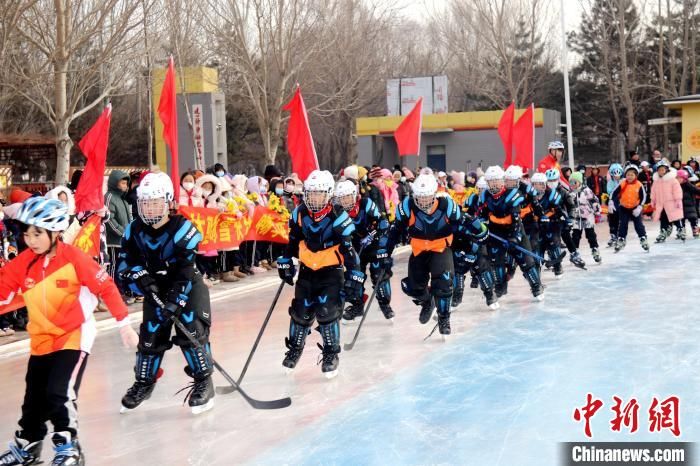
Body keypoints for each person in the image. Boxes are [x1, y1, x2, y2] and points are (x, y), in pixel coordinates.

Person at [0, 197, 138, 466]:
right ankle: (28, 446)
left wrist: (124, 324)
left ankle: (68, 446)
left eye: (37, 233)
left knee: (59, 392)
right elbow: (3, 291)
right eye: (27, 233)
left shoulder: (74, 259)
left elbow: (106, 288)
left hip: (74, 335)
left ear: (55, 232)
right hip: (41, 338)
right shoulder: (24, 263)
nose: (31, 240)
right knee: (34, 395)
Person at [117, 172, 216, 414]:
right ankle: (144, 383)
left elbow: (185, 269)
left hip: (186, 287)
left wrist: (176, 300)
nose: (150, 209)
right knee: (150, 335)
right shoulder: (133, 230)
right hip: (155, 290)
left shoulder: (183, 229)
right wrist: (140, 278)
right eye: (145, 203)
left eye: (155, 203)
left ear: (169, 202)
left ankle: (204, 382)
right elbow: (123, 266)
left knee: (192, 331)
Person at [277, 170, 363, 378]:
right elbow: (293, 239)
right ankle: (295, 348)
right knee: (300, 312)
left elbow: (348, 249)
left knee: (327, 313)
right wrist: (285, 260)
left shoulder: (338, 215)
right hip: (307, 271)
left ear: (328, 194)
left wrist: (354, 273)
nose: (314, 198)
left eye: (319, 194)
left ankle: (331, 354)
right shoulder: (299, 213)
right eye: (311, 193)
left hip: (331, 272)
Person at [393, 174, 462, 336]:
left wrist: (476, 234)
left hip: (440, 249)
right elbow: (395, 231)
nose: (423, 201)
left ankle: (444, 317)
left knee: (444, 282)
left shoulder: (446, 205)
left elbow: (461, 224)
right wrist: (384, 250)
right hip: (419, 251)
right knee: (412, 287)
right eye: (419, 197)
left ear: (434, 194)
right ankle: (427, 301)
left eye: (427, 197)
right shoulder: (407, 207)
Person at [479, 166, 544, 299]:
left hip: (514, 230)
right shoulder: (484, 195)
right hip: (496, 232)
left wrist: (515, 237)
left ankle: (536, 286)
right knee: (497, 262)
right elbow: (481, 215)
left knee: (526, 261)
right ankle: (500, 286)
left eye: (496, 180)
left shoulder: (512, 194)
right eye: (491, 181)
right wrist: (481, 228)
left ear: (502, 180)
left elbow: (515, 218)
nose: (494, 184)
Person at [334, 180, 394, 322]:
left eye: (348, 197)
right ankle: (357, 306)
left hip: (372, 245)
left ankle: (385, 304)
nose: (345, 201)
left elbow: (382, 222)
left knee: (379, 273)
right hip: (354, 248)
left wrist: (371, 235)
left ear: (354, 195)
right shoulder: (337, 210)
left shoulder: (365, 203)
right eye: (342, 198)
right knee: (354, 277)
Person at [104, 170, 133, 301]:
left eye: (126, 182)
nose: (125, 185)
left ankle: (120, 291)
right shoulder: (109, 197)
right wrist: (122, 232)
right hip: (113, 241)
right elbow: (109, 219)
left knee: (122, 267)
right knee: (113, 267)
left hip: (123, 240)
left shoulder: (123, 199)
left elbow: (129, 219)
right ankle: (111, 293)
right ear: (115, 182)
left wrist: (131, 232)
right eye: (122, 182)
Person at [532, 172, 566, 277]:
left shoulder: (551, 194)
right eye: (538, 183)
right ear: (533, 184)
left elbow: (558, 209)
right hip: (536, 225)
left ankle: (557, 265)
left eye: (542, 183)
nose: (541, 186)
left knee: (553, 243)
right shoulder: (528, 195)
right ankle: (537, 270)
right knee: (537, 247)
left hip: (551, 224)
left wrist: (563, 218)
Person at [610, 165, 649, 252]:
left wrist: (639, 207)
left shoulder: (639, 185)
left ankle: (643, 238)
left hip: (635, 208)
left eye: (632, 175)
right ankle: (621, 239)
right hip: (624, 208)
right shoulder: (623, 183)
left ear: (636, 175)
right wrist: (611, 201)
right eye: (628, 175)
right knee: (623, 224)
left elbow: (644, 197)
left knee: (638, 225)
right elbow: (614, 192)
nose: (630, 177)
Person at [569, 172, 602, 263]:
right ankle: (574, 252)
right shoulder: (570, 193)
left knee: (591, 235)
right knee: (575, 236)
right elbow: (567, 205)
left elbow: (594, 201)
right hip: (576, 219)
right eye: (571, 182)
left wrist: (597, 212)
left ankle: (595, 249)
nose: (573, 185)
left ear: (580, 182)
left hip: (587, 217)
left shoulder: (587, 191)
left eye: (575, 182)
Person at [650, 160, 684, 243]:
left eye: (663, 170)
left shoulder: (672, 180)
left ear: (666, 170)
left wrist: (678, 200)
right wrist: (653, 200)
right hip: (661, 204)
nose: (661, 172)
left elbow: (677, 190)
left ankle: (680, 229)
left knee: (675, 217)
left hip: (671, 203)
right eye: (659, 170)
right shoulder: (656, 181)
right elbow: (653, 191)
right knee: (663, 219)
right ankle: (663, 232)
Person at [676, 169, 700, 239]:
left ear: (684, 178)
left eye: (679, 178)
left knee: (693, 218)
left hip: (690, 206)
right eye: (676, 177)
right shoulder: (675, 186)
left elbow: (697, 190)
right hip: (680, 206)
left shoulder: (688, 185)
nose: (677, 179)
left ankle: (695, 229)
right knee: (681, 219)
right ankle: (681, 230)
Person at [606, 163, 624, 247]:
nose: (617, 177)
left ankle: (620, 235)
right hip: (613, 202)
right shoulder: (610, 182)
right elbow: (610, 192)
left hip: (622, 203)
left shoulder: (624, 181)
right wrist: (610, 201)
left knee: (621, 220)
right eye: (615, 175)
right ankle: (613, 235)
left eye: (618, 175)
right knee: (612, 219)